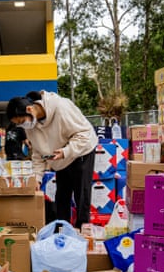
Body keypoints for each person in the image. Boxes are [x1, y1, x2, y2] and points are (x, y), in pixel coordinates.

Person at [6, 90, 98, 229]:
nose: (22, 126)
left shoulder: (61, 108)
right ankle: (62, 229)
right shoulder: (31, 125)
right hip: (59, 157)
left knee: (81, 194)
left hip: (81, 152)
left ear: (30, 109)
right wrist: (37, 177)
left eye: (21, 121)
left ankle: (83, 229)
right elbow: (37, 152)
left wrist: (66, 151)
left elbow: (84, 134)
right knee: (61, 195)